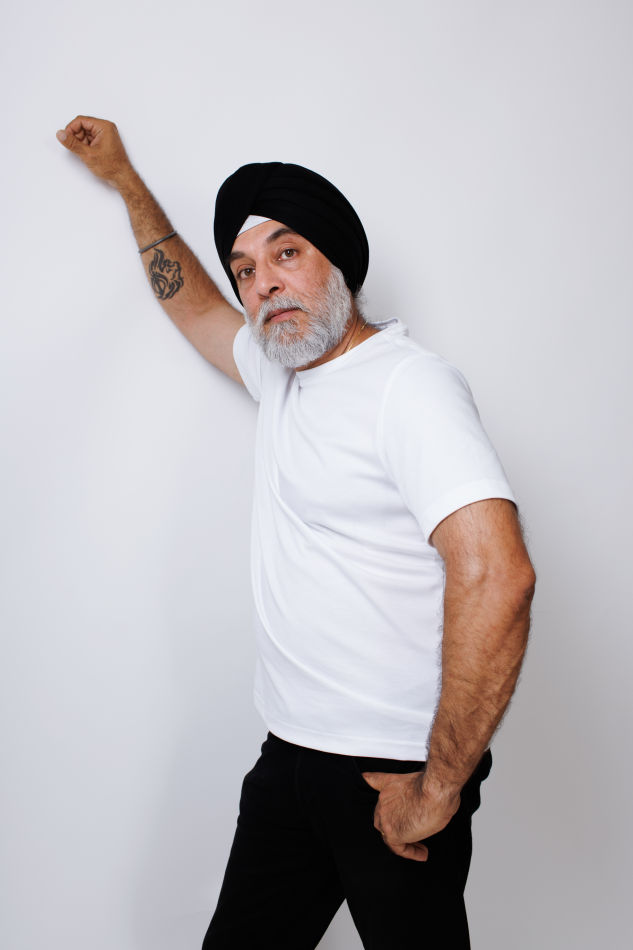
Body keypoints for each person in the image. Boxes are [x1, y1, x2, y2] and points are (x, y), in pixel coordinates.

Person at [56, 115, 536, 949]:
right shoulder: (280, 371)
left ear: (336, 262)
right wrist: (126, 182)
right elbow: (191, 303)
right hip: (290, 759)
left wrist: (437, 788)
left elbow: (499, 576)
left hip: (389, 772)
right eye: (246, 268)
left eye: (287, 253)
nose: (264, 283)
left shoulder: (408, 388)